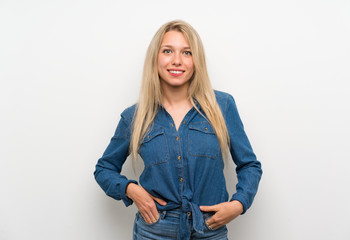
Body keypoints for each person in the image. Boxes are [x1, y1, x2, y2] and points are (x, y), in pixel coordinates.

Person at [94, 20, 262, 240]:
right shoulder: (134, 116)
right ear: (155, 59)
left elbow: (250, 165)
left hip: (209, 229)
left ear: (196, 61)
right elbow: (104, 168)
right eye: (167, 51)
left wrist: (238, 204)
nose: (176, 61)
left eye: (187, 52)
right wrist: (131, 190)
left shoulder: (223, 106)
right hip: (154, 230)